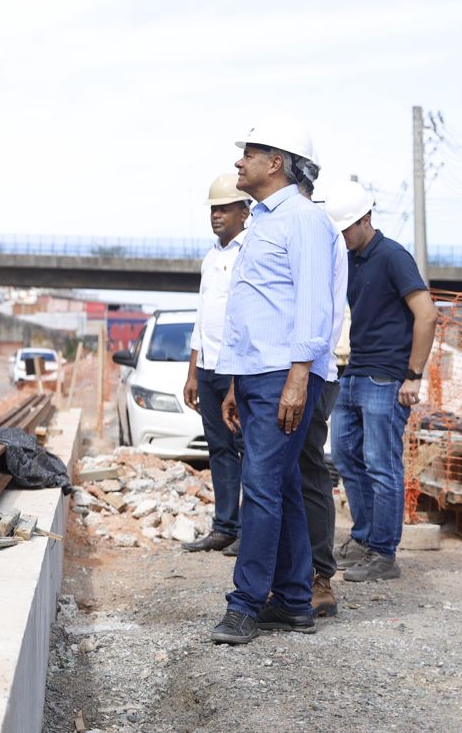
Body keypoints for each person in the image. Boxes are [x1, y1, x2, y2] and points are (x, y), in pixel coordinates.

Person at [211, 118, 337, 645]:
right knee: (279, 486)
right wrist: (237, 383)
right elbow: (257, 308)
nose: (239, 162)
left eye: (249, 153)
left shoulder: (303, 219)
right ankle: (290, 600)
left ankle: (245, 603)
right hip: (257, 373)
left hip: (284, 373)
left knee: (260, 486)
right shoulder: (264, 220)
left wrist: (298, 377)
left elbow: (314, 303)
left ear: (276, 162)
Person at [321, 185, 437, 583]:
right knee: (346, 457)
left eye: (346, 229)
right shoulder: (349, 259)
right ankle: (365, 537)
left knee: (381, 465)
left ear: (366, 220)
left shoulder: (392, 256)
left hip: (387, 376)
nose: (341, 236)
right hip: (353, 371)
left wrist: (414, 375)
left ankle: (384, 554)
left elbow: (427, 315)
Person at [181, 174, 250, 554]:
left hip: (236, 368)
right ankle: (225, 527)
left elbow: (246, 318)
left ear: (245, 210)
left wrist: (239, 379)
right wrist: (193, 372)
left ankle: (249, 533)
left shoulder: (249, 252)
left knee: (246, 447)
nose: (217, 215)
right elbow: (202, 317)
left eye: (224, 207)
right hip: (208, 368)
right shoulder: (212, 256)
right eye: (213, 209)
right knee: (219, 448)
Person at [295, 175, 350, 617]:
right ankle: (291, 573)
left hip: (312, 369)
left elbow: (320, 311)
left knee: (309, 466)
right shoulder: (277, 226)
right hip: (278, 371)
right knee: (280, 472)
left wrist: (304, 372)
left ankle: (318, 575)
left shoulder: (317, 227)